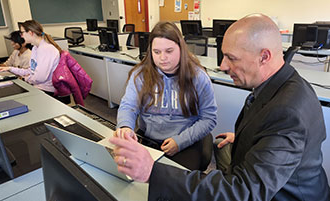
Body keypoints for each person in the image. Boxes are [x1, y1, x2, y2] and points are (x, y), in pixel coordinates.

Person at [110, 14, 330, 201]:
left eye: (231, 58)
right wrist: (250, 136)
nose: (223, 66)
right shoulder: (281, 84)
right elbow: (273, 129)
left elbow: (243, 192)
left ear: (264, 57)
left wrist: (153, 173)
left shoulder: (287, 113)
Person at [114, 21, 217, 170]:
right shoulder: (140, 74)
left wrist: (180, 141)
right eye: (156, 52)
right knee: (132, 177)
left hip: (185, 141)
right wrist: (125, 127)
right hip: (148, 138)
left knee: (175, 186)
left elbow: (209, 118)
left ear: (181, 48)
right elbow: (128, 106)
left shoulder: (198, 77)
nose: (162, 58)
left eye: (169, 51)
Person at [0, 20, 61, 95]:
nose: (21, 36)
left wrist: (25, 78)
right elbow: (31, 71)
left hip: (47, 90)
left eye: (22, 33)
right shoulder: (35, 48)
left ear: (30, 33)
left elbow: (40, 78)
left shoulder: (46, 49)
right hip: (37, 86)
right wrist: (9, 68)